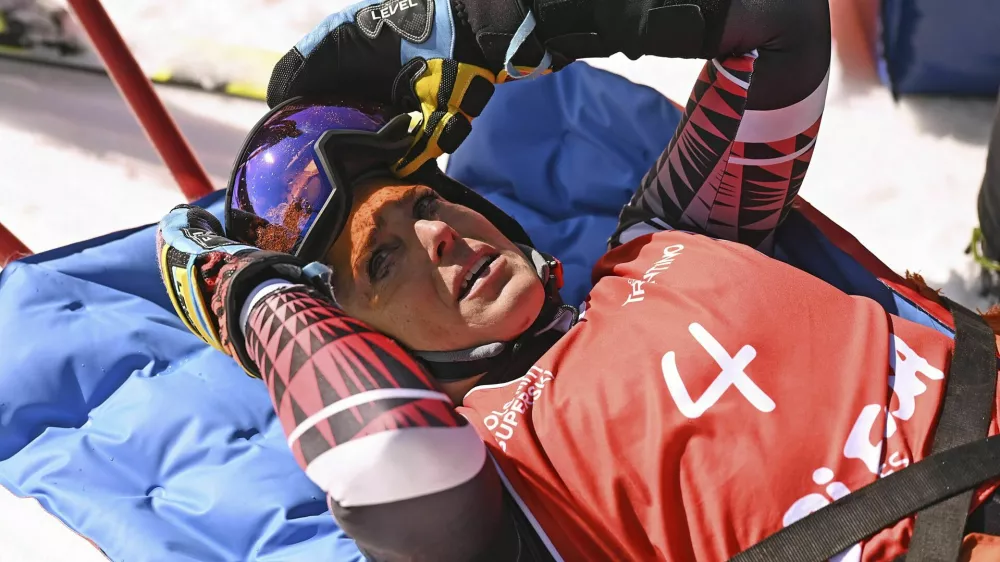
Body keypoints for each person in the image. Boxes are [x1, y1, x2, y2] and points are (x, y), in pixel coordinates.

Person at [155, 0, 1000, 560]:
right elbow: (385, 455)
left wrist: (486, 22)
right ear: (354, 336)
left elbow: (776, 23)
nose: (440, 236)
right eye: (383, 260)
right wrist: (249, 294)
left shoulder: (671, 234)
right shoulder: (495, 486)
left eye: (426, 203)